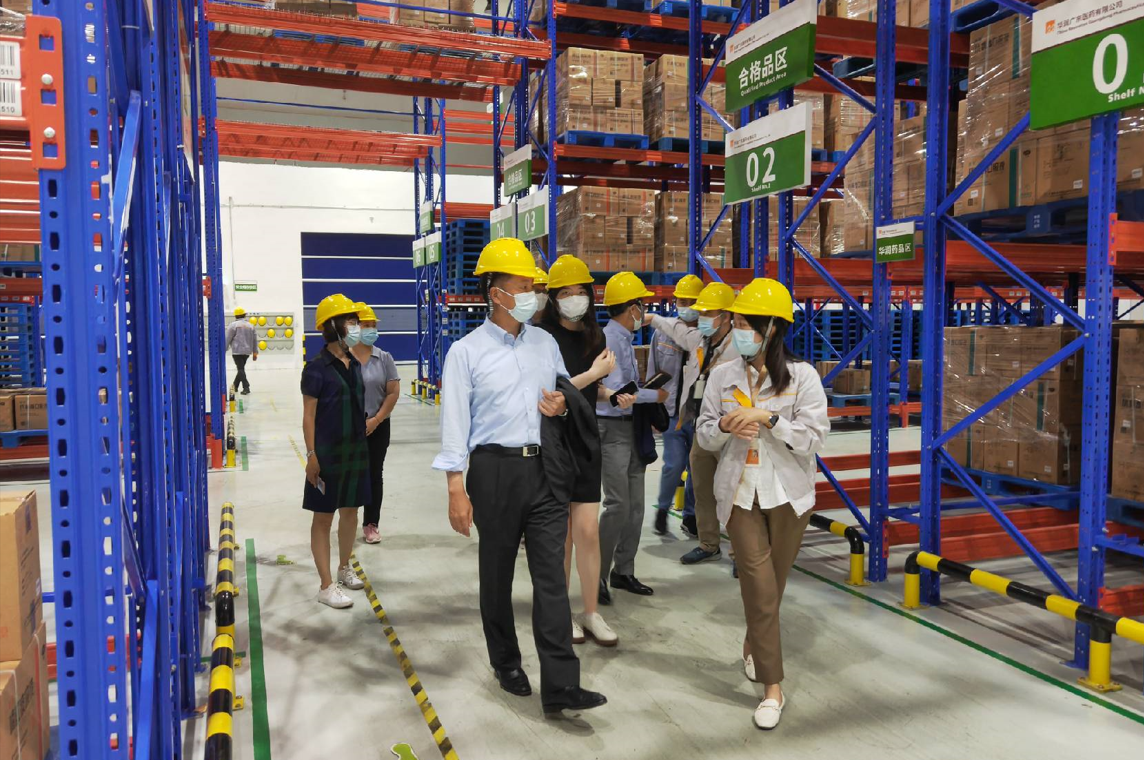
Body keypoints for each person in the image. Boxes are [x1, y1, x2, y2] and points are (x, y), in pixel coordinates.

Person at [433, 238, 612, 714]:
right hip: (493, 471)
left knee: (551, 577)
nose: (532, 294)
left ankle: (561, 684)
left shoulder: (544, 343)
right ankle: (506, 662)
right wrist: (455, 486)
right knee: (497, 574)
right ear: (495, 293)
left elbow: (561, 395)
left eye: (534, 286)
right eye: (522, 286)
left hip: (545, 468)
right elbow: (455, 423)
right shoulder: (465, 353)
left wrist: (560, 405)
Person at [695, 278, 829, 730]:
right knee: (758, 583)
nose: (738, 331)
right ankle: (773, 688)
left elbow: (813, 438)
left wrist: (769, 418)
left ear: (771, 328)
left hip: (788, 496)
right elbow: (704, 433)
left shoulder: (803, 377)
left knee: (773, 585)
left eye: (745, 324)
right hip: (739, 493)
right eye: (735, 322)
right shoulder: (722, 375)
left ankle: (754, 644)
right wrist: (726, 427)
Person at [536, 255, 618, 647]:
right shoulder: (540, 337)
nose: (574, 298)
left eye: (580, 291)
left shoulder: (594, 336)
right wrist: (595, 375)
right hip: (554, 441)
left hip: (586, 438)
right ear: (553, 298)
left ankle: (591, 612)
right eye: (565, 292)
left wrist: (608, 392)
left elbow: (584, 392)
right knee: (562, 534)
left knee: (587, 530)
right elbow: (555, 390)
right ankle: (561, 611)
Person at [646, 281, 738, 565]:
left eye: (708, 313)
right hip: (701, 425)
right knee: (701, 487)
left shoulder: (738, 347)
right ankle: (709, 544)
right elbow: (676, 329)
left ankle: (740, 552)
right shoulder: (700, 340)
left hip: (730, 429)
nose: (701, 317)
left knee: (733, 491)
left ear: (725, 316)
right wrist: (653, 318)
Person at [596, 271, 669, 606]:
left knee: (636, 505)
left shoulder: (623, 338)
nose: (644, 312)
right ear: (632, 309)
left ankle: (623, 570)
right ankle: (597, 574)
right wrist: (654, 396)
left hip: (630, 428)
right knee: (617, 505)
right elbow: (617, 393)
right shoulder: (609, 340)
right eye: (643, 306)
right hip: (612, 430)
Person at [301, 293, 371, 609]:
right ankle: (326, 585)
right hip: (327, 454)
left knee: (351, 511)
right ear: (333, 326)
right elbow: (309, 416)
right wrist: (311, 455)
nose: (356, 327)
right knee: (323, 517)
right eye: (351, 322)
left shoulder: (353, 363)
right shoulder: (316, 369)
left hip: (355, 450)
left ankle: (344, 568)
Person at [646, 274, 703, 536]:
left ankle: (690, 516)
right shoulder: (662, 332)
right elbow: (653, 372)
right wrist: (651, 411)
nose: (687, 306)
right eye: (683, 301)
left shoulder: (706, 336)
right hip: (671, 414)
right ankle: (662, 508)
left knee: (697, 469)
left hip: (699, 415)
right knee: (673, 464)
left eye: (692, 302)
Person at [350, 302, 400, 545]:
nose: (371, 329)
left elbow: (393, 392)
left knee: (373, 474)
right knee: (350, 475)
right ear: (354, 327)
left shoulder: (384, 358)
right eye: (366, 325)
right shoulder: (344, 358)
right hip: (349, 428)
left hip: (378, 427)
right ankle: (347, 521)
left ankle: (371, 523)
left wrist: (376, 420)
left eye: (373, 325)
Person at [226, 308, 258, 395]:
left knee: (240, 369)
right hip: (247, 352)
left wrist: (224, 349)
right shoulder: (251, 326)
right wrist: (255, 352)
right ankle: (235, 386)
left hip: (237, 351)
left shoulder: (233, 325)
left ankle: (246, 387)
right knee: (241, 369)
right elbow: (255, 340)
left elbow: (228, 338)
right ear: (244, 315)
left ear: (235, 315)